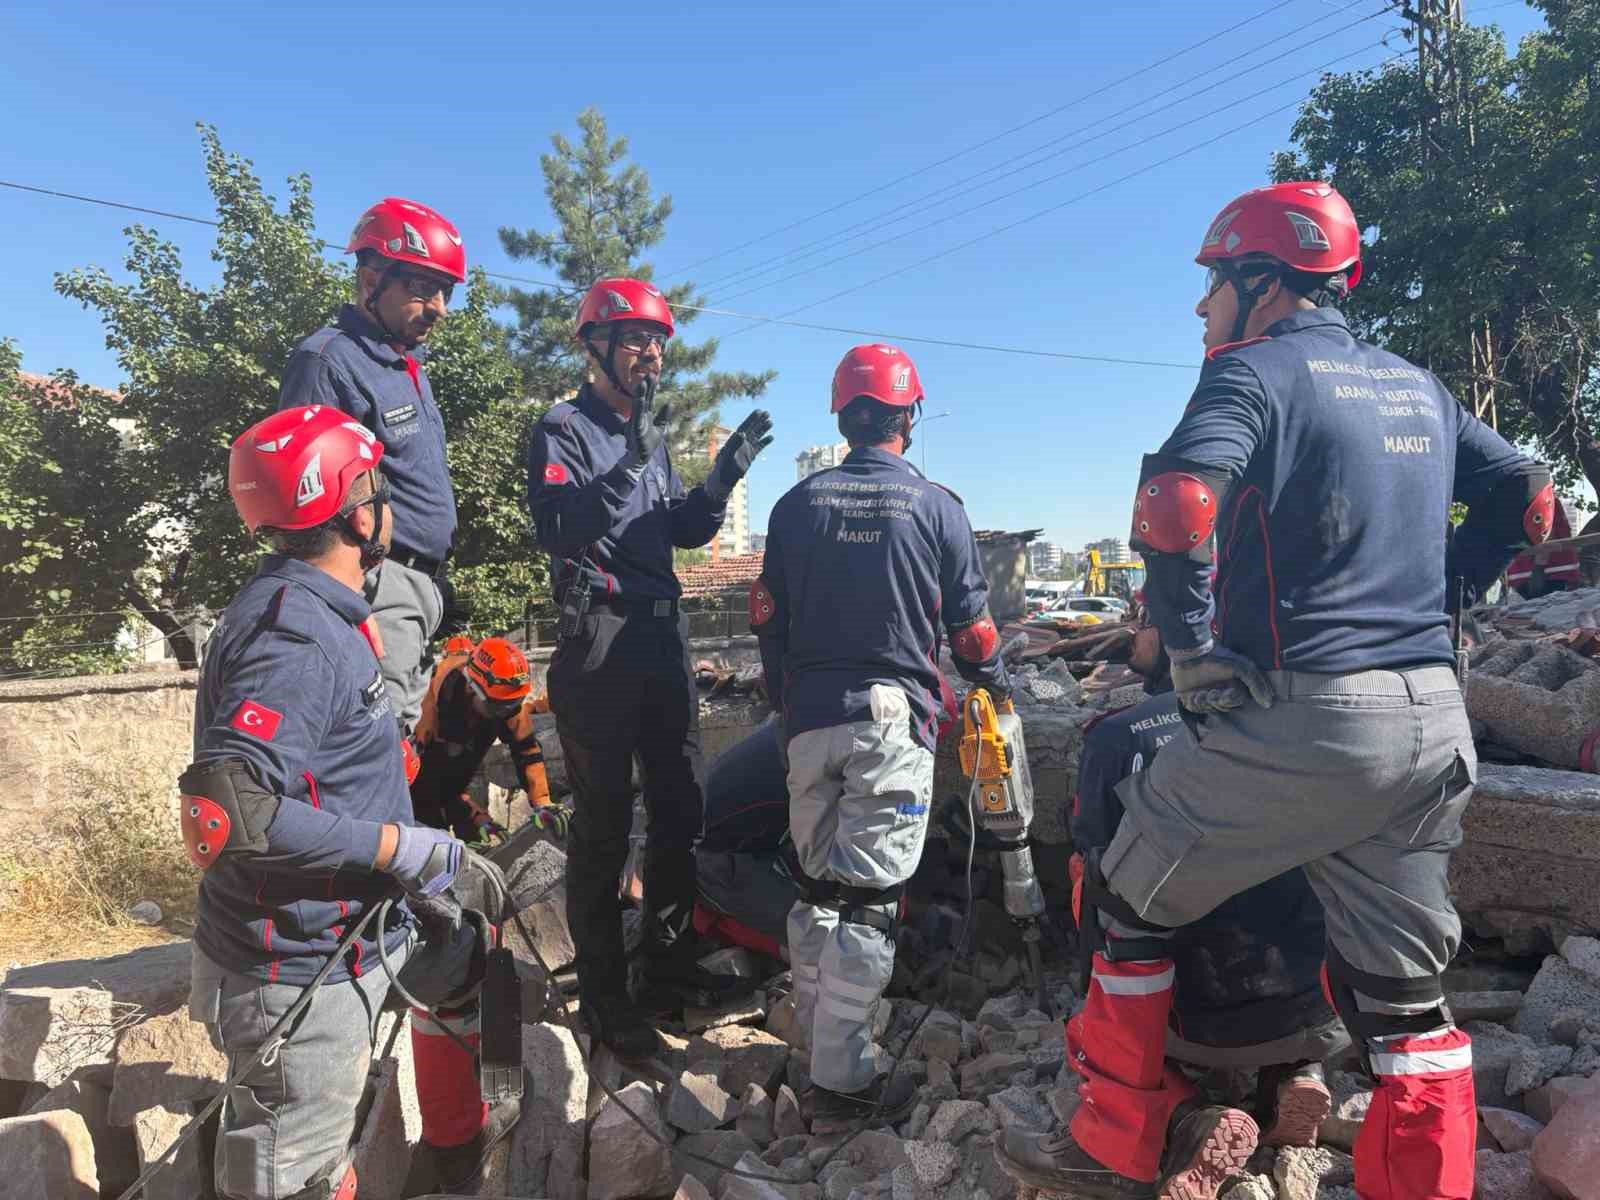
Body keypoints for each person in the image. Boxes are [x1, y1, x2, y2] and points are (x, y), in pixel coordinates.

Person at [995, 181, 1553, 1200]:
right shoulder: (1414, 386)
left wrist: (1196, 650)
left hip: (1310, 719)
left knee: (1125, 893)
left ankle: (1111, 1138)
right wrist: (1454, 588)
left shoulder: (1251, 374)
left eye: (1211, 283)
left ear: (1261, 280)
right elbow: (1532, 495)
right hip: (1434, 722)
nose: (1200, 308)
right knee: (1402, 1002)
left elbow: (1174, 502)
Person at [183, 406, 518, 1200]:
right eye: (383, 488)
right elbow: (228, 812)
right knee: (301, 1177)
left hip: (366, 925)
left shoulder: (319, 608)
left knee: (473, 959)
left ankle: (450, 1157)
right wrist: (401, 849)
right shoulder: (292, 636)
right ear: (358, 509)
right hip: (300, 963)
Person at [754, 344, 1012, 1131]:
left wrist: (791, 707)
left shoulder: (795, 506)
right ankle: (843, 1083)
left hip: (809, 722)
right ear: (909, 416)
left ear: (843, 416)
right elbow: (971, 631)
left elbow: (770, 627)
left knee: (818, 889)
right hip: (889, 722)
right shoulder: (937, 507)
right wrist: (995, 680)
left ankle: (813, 1036)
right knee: (869, 902)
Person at [526, 277, 774, 1061]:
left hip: (662, 638)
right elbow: (561, 528)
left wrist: (724, 474)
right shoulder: (561, 429)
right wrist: (629, 462)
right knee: (603, 823)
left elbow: (683, 531)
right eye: (633, 339)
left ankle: (664, 966)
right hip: (600, 640)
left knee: (681, 810)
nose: (650, 354)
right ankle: (606, 999)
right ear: (595, 347)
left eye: (657, 341)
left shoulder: (652, 439)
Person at [1068, 606, 1346, 1151]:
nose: (1135, 632)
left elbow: (1093, 869)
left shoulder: (1117, 737)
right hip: (1306, 1008)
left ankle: (1190, 1114)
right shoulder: (1300, 729)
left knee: (1091, 882)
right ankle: (1299, 1074)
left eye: (1146, 620)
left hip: (1183, 1022)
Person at [279, 197, 466, 737]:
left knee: (402, 741)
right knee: (372, 745)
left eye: (445, 292)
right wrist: (350, 600)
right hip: (373, 586)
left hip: (415, 587)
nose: (438, 308)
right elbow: (305, 499)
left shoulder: (404, 364)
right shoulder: (327, 361)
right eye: (421, 288)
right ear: (369, 279)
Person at [411, 635, 564, 843]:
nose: (505, 714)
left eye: (512, 705)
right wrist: (474, 816)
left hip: (457, 780)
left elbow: (527, 751)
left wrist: (542, 801)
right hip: (418, 789)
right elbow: (429, 783)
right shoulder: (432, 710)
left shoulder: (505, 700)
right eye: (498, 707)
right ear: (471, 687)